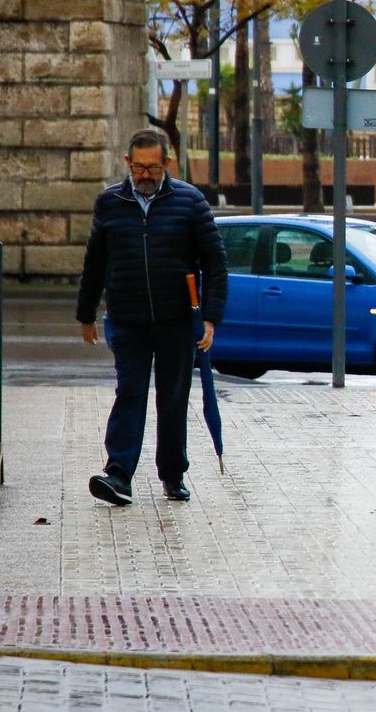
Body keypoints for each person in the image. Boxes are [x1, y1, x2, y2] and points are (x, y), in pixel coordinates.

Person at [76, 128, 227, 505]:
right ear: (128, 163)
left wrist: (210, 317)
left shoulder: (190, 202)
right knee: (130, 392)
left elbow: (215, 262)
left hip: (176, 321)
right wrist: (86, 313)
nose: (144, 175)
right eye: (138, 167)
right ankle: (118, 474)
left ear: (167, 164)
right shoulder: (110, 203)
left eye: (153, 168)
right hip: (127, 319)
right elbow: (95, 262)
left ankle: (172, 474)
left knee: (173, 397)